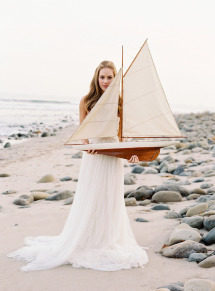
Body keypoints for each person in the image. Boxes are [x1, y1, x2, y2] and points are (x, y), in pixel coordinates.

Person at [7, 60, 149, 272]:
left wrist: (131, 155)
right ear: (96, 78)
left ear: (115, 79)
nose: (106, 81)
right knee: (91, 195)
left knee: (110, 197)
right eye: (102, 77)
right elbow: (83, 133)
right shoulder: (87, 101)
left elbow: (122, 136)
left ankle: (107, 238)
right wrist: (87, 146)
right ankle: (86, 239)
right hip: (93, 154)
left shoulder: (120, 103)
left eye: (110, 77)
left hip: (111, 153)